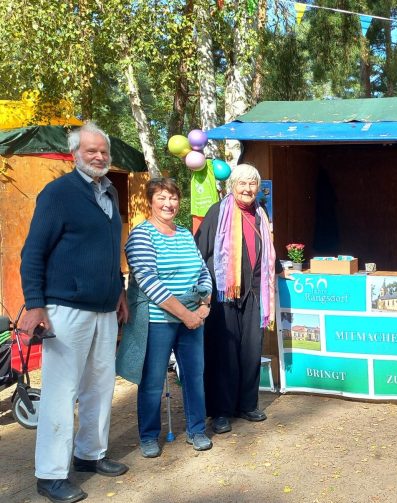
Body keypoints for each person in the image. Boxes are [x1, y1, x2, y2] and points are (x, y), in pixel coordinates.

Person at [20, 122, 129, 503]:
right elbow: (33, 252)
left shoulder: (109, 194)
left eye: (103, 151)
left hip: (103, 309)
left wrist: (119, 290)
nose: (98, 156)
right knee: (60, 392)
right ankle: (49, 475)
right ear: (74, 154)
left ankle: (90, 454)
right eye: (90, 151)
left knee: (100, 386)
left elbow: (107, 248)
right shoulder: (58, 193)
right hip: (65, 309)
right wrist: (35, 305)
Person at [118, 178, 213, 458]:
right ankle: (148, 435)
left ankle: (196, 430)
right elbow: (148, 281)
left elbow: (202, 270)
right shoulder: (141, 235)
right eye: (161, 198)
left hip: (193, 318)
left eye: (173, 198)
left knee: (194, 377)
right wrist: (186, 315)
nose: (168, 204)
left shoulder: (184, 233)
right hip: (158, 320)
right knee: (152, 380)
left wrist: (205, 304)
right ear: (150, 201)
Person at [195, 164, 280, 435]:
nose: (247, 189)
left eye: (252, 184)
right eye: (242, 184)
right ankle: (221, 411)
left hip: (254, 293)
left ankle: (247, 404)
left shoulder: (260, 214)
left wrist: (279, 270)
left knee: (250, 350)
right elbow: (200, 252)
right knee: (223, 353)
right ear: (233, 186)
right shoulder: (218, 212)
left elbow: (266, 251)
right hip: (223, 294)